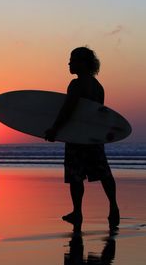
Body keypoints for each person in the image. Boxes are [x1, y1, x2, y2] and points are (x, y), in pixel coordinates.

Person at [45, 47, 120, 232]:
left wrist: (55, 129)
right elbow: (98, 115)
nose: (69, 63)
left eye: (73, 60)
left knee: (75, 176)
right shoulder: (98, 86)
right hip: (93, 138)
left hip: (77, 137)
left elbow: (68, 109)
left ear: (84, 63)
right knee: (103, 172)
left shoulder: (76, 84)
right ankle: (114, 207)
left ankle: (77, 212)